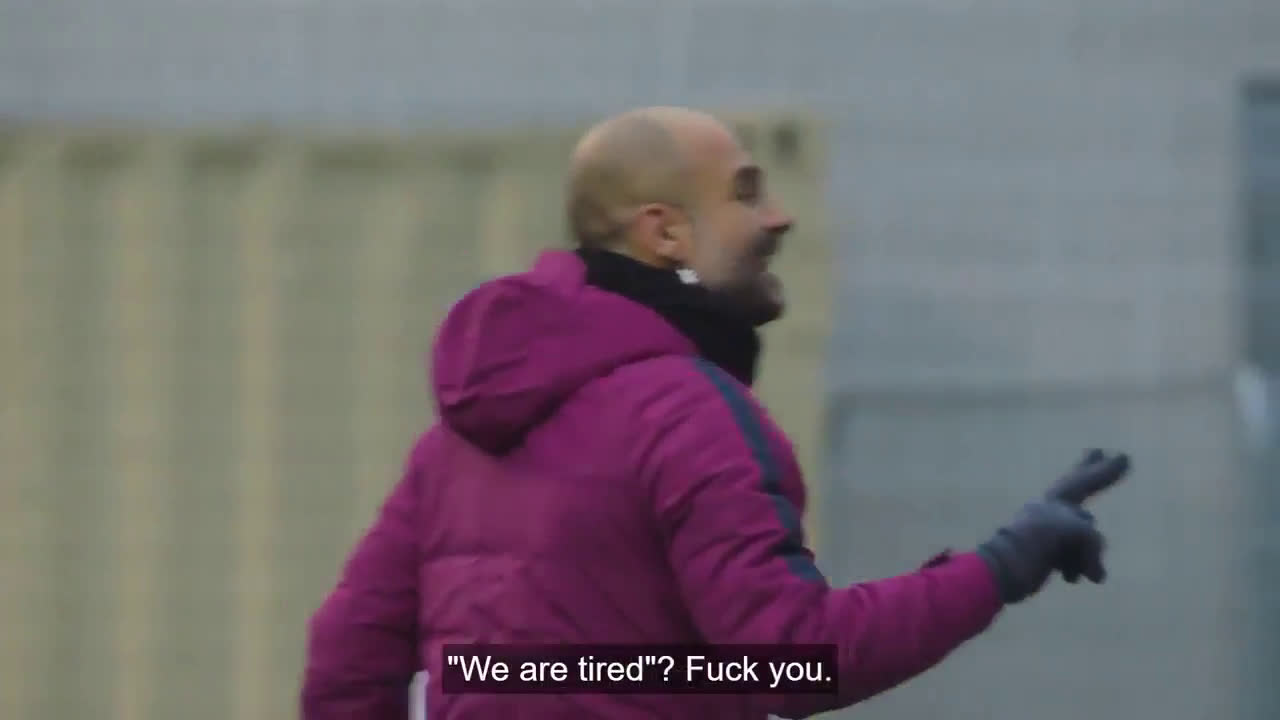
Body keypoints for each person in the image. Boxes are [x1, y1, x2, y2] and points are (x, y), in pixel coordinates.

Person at [300, 106, 1132, 719]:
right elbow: (789, 660)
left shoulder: (453, 444)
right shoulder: (692, 414)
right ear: (664, 233)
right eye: (746, 194)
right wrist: (1001, 565)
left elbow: (347, 663)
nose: (779, 217)